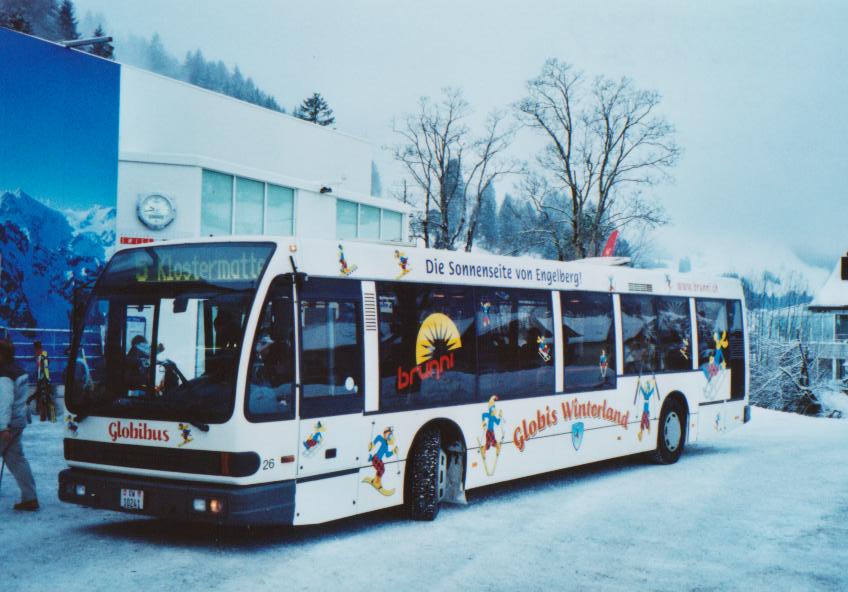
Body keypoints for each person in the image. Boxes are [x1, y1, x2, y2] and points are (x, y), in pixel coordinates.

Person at [0, 339, 39, 511]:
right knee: (16, 459)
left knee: (16, 459)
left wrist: (3, 427)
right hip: (17, 421)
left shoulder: (4, 374)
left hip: (6, 425)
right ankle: (30, 497)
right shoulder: (18, 370)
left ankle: (30, 498)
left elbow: (4, 402)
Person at [31, 340, 54, 422]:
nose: (35, 351)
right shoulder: (40, 354)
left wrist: (44, 379)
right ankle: (46, 417)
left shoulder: (43, 354)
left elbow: (44, 367)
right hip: (42, 378)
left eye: (36, 349)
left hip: (43, 379)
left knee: (43, 398)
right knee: (43, 398)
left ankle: (45, 417)